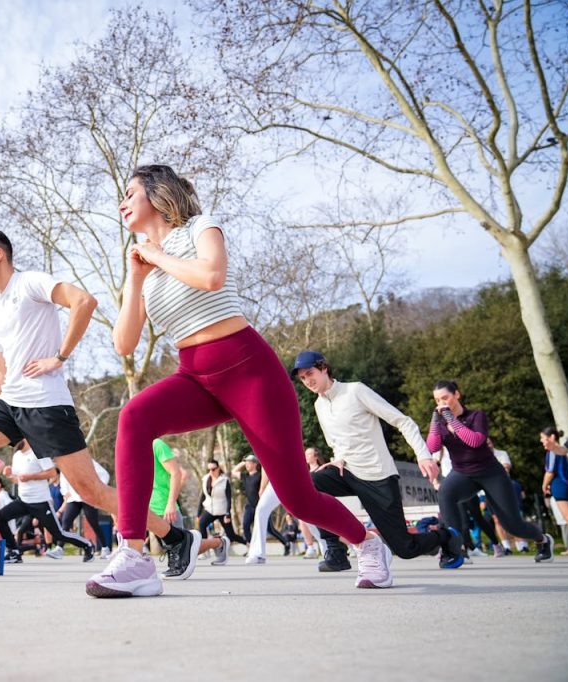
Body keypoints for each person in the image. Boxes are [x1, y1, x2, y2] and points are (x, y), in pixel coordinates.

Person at [94, 164, 393, 597]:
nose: (121, 203)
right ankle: (135, 555)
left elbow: (212, 278)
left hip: (249, 370)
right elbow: (124, 343)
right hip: (194, 374)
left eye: (129, 192)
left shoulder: (200, 227)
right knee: (134, 417)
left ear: (157, 195)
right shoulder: (145, 264)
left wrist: (155, 256)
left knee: (296, 497)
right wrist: (137, 276)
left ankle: (367, 541)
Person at [0, 230, 203, 585]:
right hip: (9, 402)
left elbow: (84, 301)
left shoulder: (30, 283)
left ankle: (176, 537)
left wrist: (59, 357)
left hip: (46, 405)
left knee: (91, 492)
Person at [291, 351, 461, 572]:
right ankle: (335, 551)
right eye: (302, 378)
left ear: (324, 368)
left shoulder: (355, 390)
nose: (307, 381)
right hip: (348, 472)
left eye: (310, 373)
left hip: (378, 476)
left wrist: (424, 455)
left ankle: (446, 536)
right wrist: (338, 459)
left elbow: (403, 421)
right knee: (309, 484)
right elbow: (336, 442)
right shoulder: (319, 405)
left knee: (405, 548)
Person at [427, 379, 553, 563]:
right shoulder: (441, 422)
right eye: (437, 400)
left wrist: (450, 418)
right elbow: (432, 446)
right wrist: (434, 421)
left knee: (512, 525)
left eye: (445, 397)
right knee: (445, 494)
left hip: (490, 473)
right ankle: (456, 549)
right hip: (463, 473)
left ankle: (543, 540)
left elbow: (474, 441)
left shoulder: (476, 416)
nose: (441, 403)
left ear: (457, 395)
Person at [0, 439, 93, 562]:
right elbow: (18, 480)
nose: (13, 444)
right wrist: (10, 475)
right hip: (23, 501)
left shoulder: (38, 452)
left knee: (58, 533)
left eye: (14, 441)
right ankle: (14, 552)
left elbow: (52, 473)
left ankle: (87, 545)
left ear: (24, 437)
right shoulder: (16, 456)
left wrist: (31, 476)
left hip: (40, 502)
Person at [150, 439, 228, 569]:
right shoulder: (134, 448)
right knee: (176, 547)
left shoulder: (156, 444)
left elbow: (181, 474)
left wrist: (171, 502)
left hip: (164, 507)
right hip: (149, 509)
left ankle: (218, 543)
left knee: (184, 547)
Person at [246, 448, 326, 564]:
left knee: (304, 514)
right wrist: (263, 487)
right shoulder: (264, 442)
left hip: (292, 478)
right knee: (261, 510)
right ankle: (258, 553)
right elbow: (265, 465)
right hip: (275, 481)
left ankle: (325, 545)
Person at [232, 455, 288, 559]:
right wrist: (244, 462)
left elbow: (266, 477)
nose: (247, 465)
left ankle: (286, 543)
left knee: (270, 529)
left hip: (261, 505)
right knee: (245, 526)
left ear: (255, 464)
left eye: (249, 463)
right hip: (250, 506)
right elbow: (233, 471)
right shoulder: (245, 476)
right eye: (247, 463)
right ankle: (251, 547)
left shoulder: (259, 475)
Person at [58, 458, 113, 558]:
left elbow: (104, 474)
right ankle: (59, 548)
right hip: (74, 498)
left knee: (93, 523)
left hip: (88, 497)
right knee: (66, 521)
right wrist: (65, 492)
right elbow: (63, 478)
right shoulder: (64, 462)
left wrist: (97, 489)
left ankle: (105, 548)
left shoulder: (86, 460)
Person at [540, 427, 568, 554]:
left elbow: (550, 471)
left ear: (552, 437)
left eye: (543, 438)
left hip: (560, 485)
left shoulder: (553, 452)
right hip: (565, 484)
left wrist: (544, 485)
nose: (541, 441)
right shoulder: (559, 450)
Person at [197, 459, 245, 545]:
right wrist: (199, 513)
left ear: (218, 468)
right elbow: (203, 496)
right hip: (210, 510)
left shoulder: (224, 480)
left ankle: (248, 544)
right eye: (209, 470)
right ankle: (204, 547)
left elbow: (228, 498)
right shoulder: (205, 479)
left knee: (231, 535)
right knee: (202, 524)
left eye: (213, 469)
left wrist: (228, 514)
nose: (211, 471)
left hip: (222, 511)